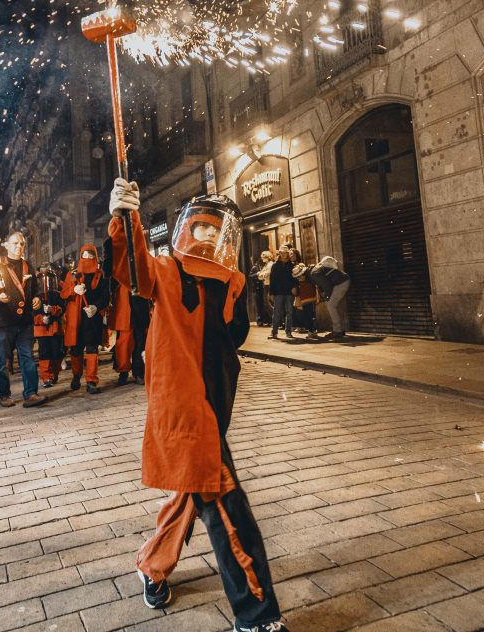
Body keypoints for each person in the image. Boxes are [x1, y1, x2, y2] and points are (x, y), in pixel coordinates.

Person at [108, 180, 286, 632]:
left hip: (213, 411)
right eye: (200, 228)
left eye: (216, 230)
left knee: (190, 491)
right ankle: (257, 616)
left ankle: (152, 565)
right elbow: (134, 269)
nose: (207, 237)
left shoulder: (232, 285)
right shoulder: (167, 273)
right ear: (187, 229)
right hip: (187, 416)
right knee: (230, 513)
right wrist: (125, 217)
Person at [0, 232, 46, 408]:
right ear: (7, 245)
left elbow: (34, 291)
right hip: (1, 321)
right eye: (15, 243)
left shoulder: (28, 266)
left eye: (22, 244)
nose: (19, 247)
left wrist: (36, 299)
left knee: (27, 357)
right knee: (2, 360)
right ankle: (4, 395)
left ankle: (31, 393)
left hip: (23, 321)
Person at [61, 243, 110, 394]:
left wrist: (96, 307)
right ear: (80, 256)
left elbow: (105, 297)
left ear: (95, 257)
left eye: (91, 255)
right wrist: (73, 289)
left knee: (92, 348)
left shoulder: (100, 275)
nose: (87, 258)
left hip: (92, 318)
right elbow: (63, 294)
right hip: (76, 319)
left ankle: (91, 380)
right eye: (85, 255)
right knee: (75, 350)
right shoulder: (72, 274)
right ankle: (76, 375)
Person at [103, 236, 150, 386]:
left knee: (140, 339)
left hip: (139, 300)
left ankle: (139, 372)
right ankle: (123, 370)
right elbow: (108, 273)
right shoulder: (115, 257)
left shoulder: (139, 254)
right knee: (124, 340)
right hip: (123, 301)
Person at [34, 265, 65, 388]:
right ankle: (46, 377)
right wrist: (41, 318)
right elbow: (32, 312)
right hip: (42, 330)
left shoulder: (57, 294)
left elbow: (63, 308)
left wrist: (52, 310)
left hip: (55, 328)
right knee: (44, 353)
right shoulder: (35, 296)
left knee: (57, 352)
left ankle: (54, 373)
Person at [309, 256, 351, 340]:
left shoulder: (314, 273)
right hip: (342, 281)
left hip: (340, 283)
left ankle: (338, 331)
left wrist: (327, 296)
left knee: (331, 305)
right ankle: (340, 329)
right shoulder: (316, 270)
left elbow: (326, 285)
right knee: (334, 306)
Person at [267, 248, 296, 340]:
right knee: (276, 312)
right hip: (278, 292)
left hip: (289, 291)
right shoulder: (275, 265)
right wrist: (271, 293)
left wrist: (295, 287)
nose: (284, 255)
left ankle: (288, 332)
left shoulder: (291, 265)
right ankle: (274, 332)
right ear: (279, 254)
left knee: (290, 312)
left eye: (286, 253)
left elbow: (294, 278)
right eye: (282, 253)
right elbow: (272, 279)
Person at [291, 262, 320, 340]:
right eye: (297, 277)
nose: (299, 278)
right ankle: (312, 331)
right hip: (304, 300)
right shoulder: (301, 282)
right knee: (308, 316)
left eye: (300, 276)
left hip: (309, 300)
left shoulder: (309, 280)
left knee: (309, 316)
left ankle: (312, 331)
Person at [248, 251, 273, 326]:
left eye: (263, 257)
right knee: (264, 304)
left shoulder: (269, 264)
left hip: (267, 285)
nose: (262, 259)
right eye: (261, 257)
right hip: (261, 286)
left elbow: (265, 274)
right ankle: (262, 321)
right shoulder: (257, 266)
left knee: (268, 303)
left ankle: (273, 320)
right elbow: (252, 275)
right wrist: (259, 274)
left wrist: (260, 275)